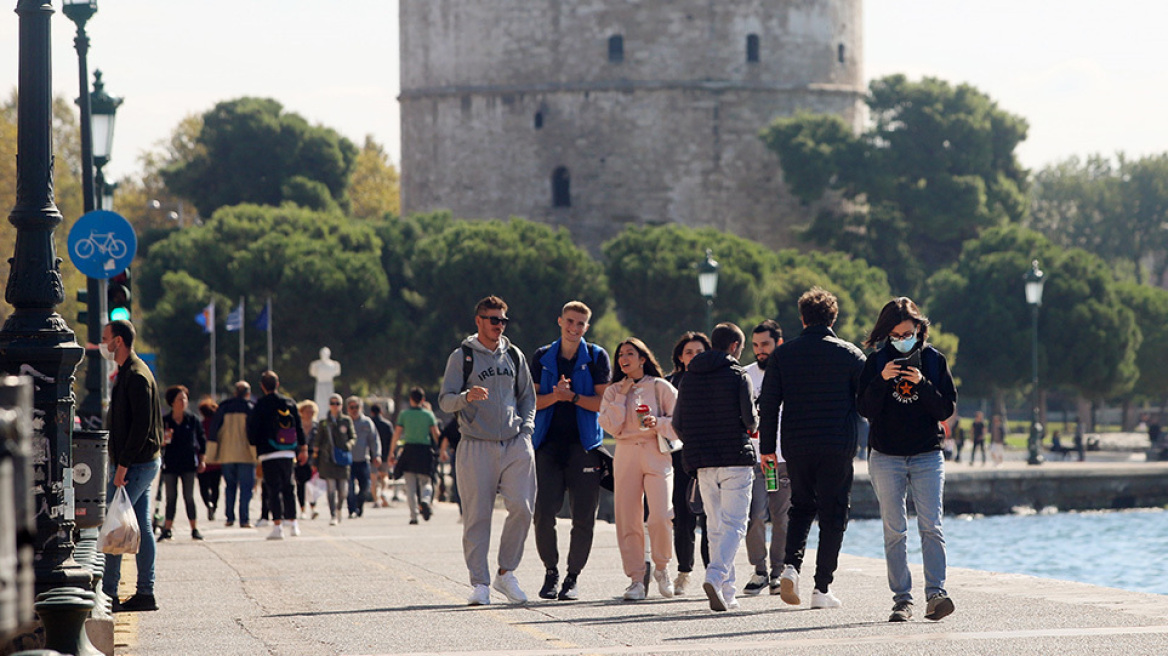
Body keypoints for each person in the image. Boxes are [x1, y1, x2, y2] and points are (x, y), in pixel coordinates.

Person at [758, 287, 866, 610]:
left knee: (801, 506)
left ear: (802, 318)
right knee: (834, 514)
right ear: (834, 317)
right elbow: (864, 405)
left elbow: (769, 403)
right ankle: (822, 588)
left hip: (797, 445)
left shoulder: (783, 355)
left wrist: (767, 449)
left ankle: (791, 566)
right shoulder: (851, 355)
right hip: (836, 445)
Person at [857, 297, 958, 623]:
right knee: (895, 530)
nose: (903, 339)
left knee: (931, 526)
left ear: (919, 329)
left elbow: (945, 410)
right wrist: (881, 380)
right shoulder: (876, 362)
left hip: (927, 453)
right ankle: (902, 600)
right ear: (887, 334)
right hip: (886, 455)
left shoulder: (933, 360)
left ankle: (935, 594)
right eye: (897, 334)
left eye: (909, 332)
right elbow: (864, 408)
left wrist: (923, 384)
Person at [438, 296, 537, 606]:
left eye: (503, 320)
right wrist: (467, 396)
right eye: (493, 319)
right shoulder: (462, 357)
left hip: (515, 442)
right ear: (479, 321)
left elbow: (527, 398)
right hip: (475, 444)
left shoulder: (515, 355)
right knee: (477, 517)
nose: (499, 325)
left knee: (522, 507)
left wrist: (527, 430)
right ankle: (479, 583)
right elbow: (445, 400)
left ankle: (505, 574)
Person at [529, 301, 612, 601]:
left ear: (586, 328)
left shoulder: (597, 356)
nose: (574, 328)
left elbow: (604, 403)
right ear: (560, 321)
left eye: (580, 324)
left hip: (585, 446)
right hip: (547, 446)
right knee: (542, 514)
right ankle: (550, 572)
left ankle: (572, 577)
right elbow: (531, 402)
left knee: (583, 517)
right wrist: (556, 396)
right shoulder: (541, 356)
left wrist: (573, 397)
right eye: (570, 322)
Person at [674, 322, 758, 612]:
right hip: (735, 457)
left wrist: (697, 442)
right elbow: (750, 420)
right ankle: (715, 574)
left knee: (715, 526)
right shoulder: (738, 375)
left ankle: (727, 593)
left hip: (702, 462)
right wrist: (755, 421)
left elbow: (677, 424)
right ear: (734, 346)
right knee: (735, 524)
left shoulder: (688, 378)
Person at [599, 338, 678, 601]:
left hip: (656, 452)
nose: (624, 358)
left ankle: (662, 567)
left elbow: (681, 422)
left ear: (642, 358)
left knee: (661, 515)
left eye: (630, 353)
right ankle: (635, 579)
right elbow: (611, 426)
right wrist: (621, 394)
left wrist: (659, 423)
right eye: (620, 354)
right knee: (627, 517)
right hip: (625, 453)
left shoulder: (660, 387)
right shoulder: (612, 392)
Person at [101, 319, 164, 613]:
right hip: (139, 462)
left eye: (106, 338)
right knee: (141, 526)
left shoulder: (136, 376)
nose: (104, 344)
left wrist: (123, 466)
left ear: (119, 341)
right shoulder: (130, 373)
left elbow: (141, 426)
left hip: (136, 463)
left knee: (114, 526)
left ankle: (109, 593)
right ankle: (145, 593)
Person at [741, 320, 791, 597]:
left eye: (765, 345)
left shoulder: (790, 373)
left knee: (782, 518)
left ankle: (778, 571)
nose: (760, 351)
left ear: (778, 344)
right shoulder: (744, 375)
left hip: (783, 457)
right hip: (754, 457)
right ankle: (759, 570)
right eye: (756, 345)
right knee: (754, 515)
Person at [665, 331, 711, 595]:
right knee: (682, 517)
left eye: (699, 352)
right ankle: (684, 572)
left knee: (709, 517)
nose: (694, 357)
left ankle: (713, 573)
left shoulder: (715, 380)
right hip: (677, 457)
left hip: (708, 457)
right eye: (689, 352)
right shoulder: (669, 383)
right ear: (680, 357)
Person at [248, 370, 308, 539]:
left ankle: (277, 527)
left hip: (268, 452)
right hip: (288, 451)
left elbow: (253, 429)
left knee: (273, 488)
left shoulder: (260, 405)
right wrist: (303, 447)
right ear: (278, 384)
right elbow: (298, 426)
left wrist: (254, 444)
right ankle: (294, 524)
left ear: (262, 386)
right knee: (289, 487)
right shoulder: (289, 402)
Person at [158, 385, 206, 542]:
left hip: (188, 464)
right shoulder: (165, 422)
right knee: (171, 497)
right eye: (180, 399)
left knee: (189, 497)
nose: (183, 402)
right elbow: (157, 441)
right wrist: (162, 443)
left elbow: (201, 440)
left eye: (185, 398)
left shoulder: (192, 420)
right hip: (170, 464)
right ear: (172, 402)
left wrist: (202, 460)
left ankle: (194, 528)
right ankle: (167, 529)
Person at [389, 387, 442, 524]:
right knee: (426, 481)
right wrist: (442, 450)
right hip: (424, 451)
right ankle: (425, 499)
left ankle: (413, 516)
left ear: (411, 399)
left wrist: (391, 452)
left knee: (410, 486)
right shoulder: (429, 415)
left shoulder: (404, 415)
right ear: (423, 400)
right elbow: (436, 434)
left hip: (409, 451)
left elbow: (397, 434)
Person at [208, 382, 256, 528]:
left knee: (230, 486)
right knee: (246, 488)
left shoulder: (223, 407)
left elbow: (214, 430)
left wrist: (211, 453)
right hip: (246, 454)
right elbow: (255, 432)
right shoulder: (251, 408)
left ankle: (229, 517)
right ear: (248, 393)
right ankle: (244, 519)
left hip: (227, 454)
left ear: (235, 393)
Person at [314, 393, 356, 525]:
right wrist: (315, 459)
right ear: (329, 405)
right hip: (328, 460)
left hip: (342, 459)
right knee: (331, 488)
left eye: (337, 403)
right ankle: (333, 514)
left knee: (343, 490)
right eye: (332, 403)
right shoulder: (324, 422)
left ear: (341, 405)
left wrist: (348, 445)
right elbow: (317, 442)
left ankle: (339, 509)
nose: (335, 406)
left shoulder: (346, 421)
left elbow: (353, 436)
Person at [345, 396, 382, 518]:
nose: (354, 410)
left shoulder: (367, 423)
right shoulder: (344, 422)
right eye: (352, 407)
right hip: (347, 461)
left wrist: (376, 455)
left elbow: (374, 440)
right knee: (349, 488)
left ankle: (359, 506)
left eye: (357, 407)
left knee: (365, 487)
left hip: (363, 460)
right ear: (348, 409)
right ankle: (351, 509)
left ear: (360, 408)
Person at [196, 397, 221, 521]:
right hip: (216, 460)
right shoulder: (218, 426)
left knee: (203, 487)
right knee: (215, 486)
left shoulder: (200, 425)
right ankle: (214, 506)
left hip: (202, 461)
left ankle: (208, 503)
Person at [295, 400, 320, 519]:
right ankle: (302, 509)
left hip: (312, 458)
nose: (309, 413)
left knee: (312, 484)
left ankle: (313, 507)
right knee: (300, 484)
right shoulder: (297, 425)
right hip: (299, 457)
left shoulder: (317, 426)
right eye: (307, 411)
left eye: (311, 411)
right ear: (302, 411)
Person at [370, 404, 396, 507]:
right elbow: (392, 440)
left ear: (372, 412)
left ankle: (376, 501)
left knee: (373, 479)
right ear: (381, 412)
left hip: (373, 455)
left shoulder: (370, 424)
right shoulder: (387, 424)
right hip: (385, 454)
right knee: (385, 476)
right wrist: (392, 453)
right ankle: (383, 492)